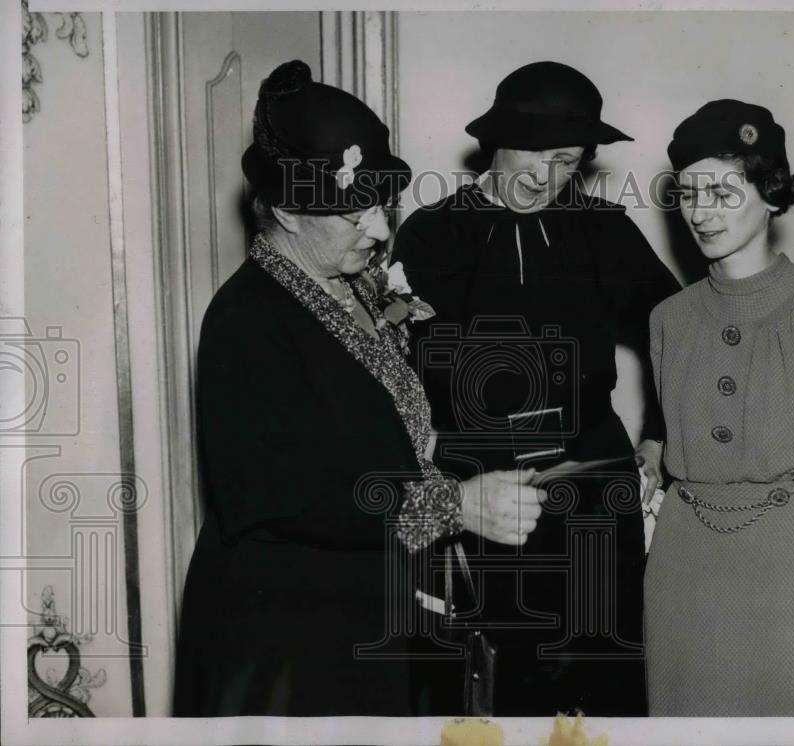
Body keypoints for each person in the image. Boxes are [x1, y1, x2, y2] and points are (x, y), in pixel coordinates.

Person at [172, 60, 546, 717]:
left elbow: (379, 436)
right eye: (352, 213)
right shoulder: (246, 319)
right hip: (286, 641)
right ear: (286, 210)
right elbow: (284, 496)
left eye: (381, 205)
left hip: (361, 618)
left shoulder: (350, 287)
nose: (378, 231)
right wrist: (453, 506)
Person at [392, 61, 681, 716]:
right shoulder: (429, 234)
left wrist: (662, 429)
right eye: (536, 155)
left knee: (604, 679)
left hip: (592, 486)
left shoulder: (604, 229)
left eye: (567, 162)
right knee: (493, 687)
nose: (545, 179)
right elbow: (394, 374)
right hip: (482, 496)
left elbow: (677, 328)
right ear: (497, 138)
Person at [644, 99, 794, 716]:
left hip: (793, 571)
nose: (700, 212)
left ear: (772, 193)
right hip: (683, 568)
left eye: (723, 192)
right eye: (689, 194)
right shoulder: (668, 320)